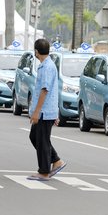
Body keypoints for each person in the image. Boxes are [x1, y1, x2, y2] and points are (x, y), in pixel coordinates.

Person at [27, 39, 66, 181]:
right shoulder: (46, 65)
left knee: (42, 140)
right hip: (46, 110)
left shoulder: (47, 67)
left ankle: (44, 171)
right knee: (35, 137)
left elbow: (45, 90)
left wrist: (37, 111)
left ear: (36, 51)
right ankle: (56, 160)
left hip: (44, 111)